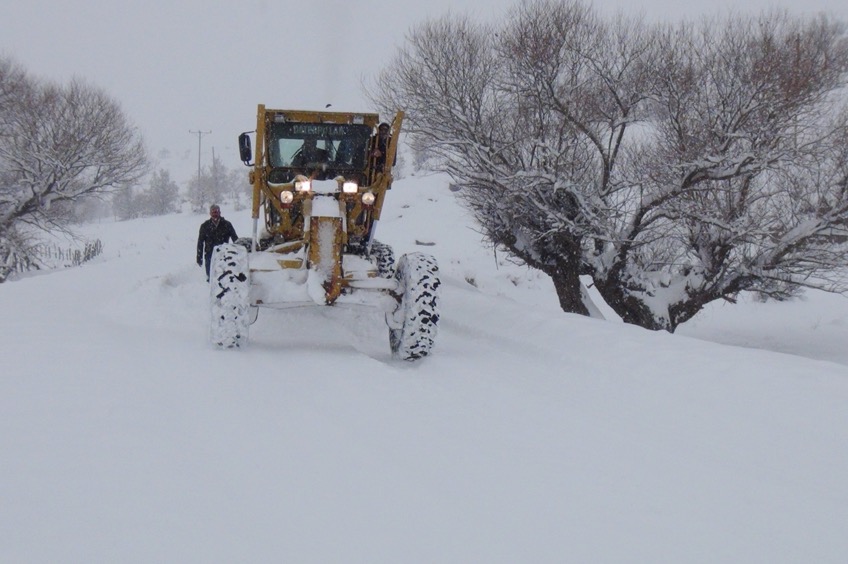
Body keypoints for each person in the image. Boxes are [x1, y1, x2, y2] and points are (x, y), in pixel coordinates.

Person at [196, 204, 238, 281]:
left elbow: (235, 239)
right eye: (213, 212)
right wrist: (199, 257)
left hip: (224, 253)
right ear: (210, 213)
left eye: (216, 212)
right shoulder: (204, 226)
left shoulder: (227, 224)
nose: (215, 214)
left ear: (220, 213)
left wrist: (238, 252)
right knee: (211, 276)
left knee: (224, 276)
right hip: (209, 254)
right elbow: (200, 242)